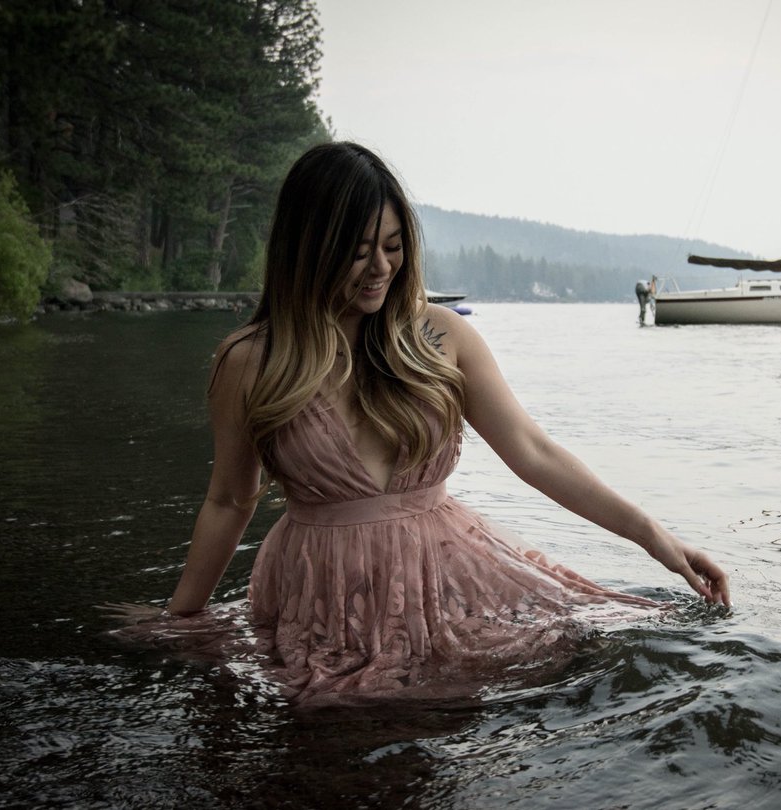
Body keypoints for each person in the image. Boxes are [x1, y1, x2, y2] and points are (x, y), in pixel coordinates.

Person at [114, 142, 729, 704]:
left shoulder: (441, 337)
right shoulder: (250, 361)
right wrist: (181, 619)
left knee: (581, 656)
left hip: (445, 572)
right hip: (323, 586)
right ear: (308, 249)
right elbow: (228, 500)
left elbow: (533, 453)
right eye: (356, 251)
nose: (380, 267)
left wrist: (654, 536)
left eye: (392, 245)